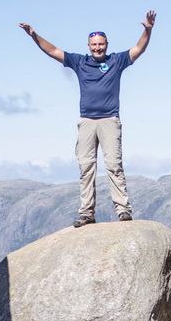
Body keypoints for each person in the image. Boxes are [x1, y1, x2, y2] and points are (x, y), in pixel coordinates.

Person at [19, 12, 156, 227]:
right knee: (86, 167)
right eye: (94, 45)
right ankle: (86, 213)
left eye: (101, 44)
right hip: (86, 122)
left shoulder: (117, 61)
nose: (98, 48)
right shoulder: (80, 62)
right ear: (89, 45)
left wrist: (148, 29)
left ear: (107, 44)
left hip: (110, 119)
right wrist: (33, 34)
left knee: (114, 166)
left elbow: (138, 49)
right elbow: (52, 50)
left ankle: (123, 210)